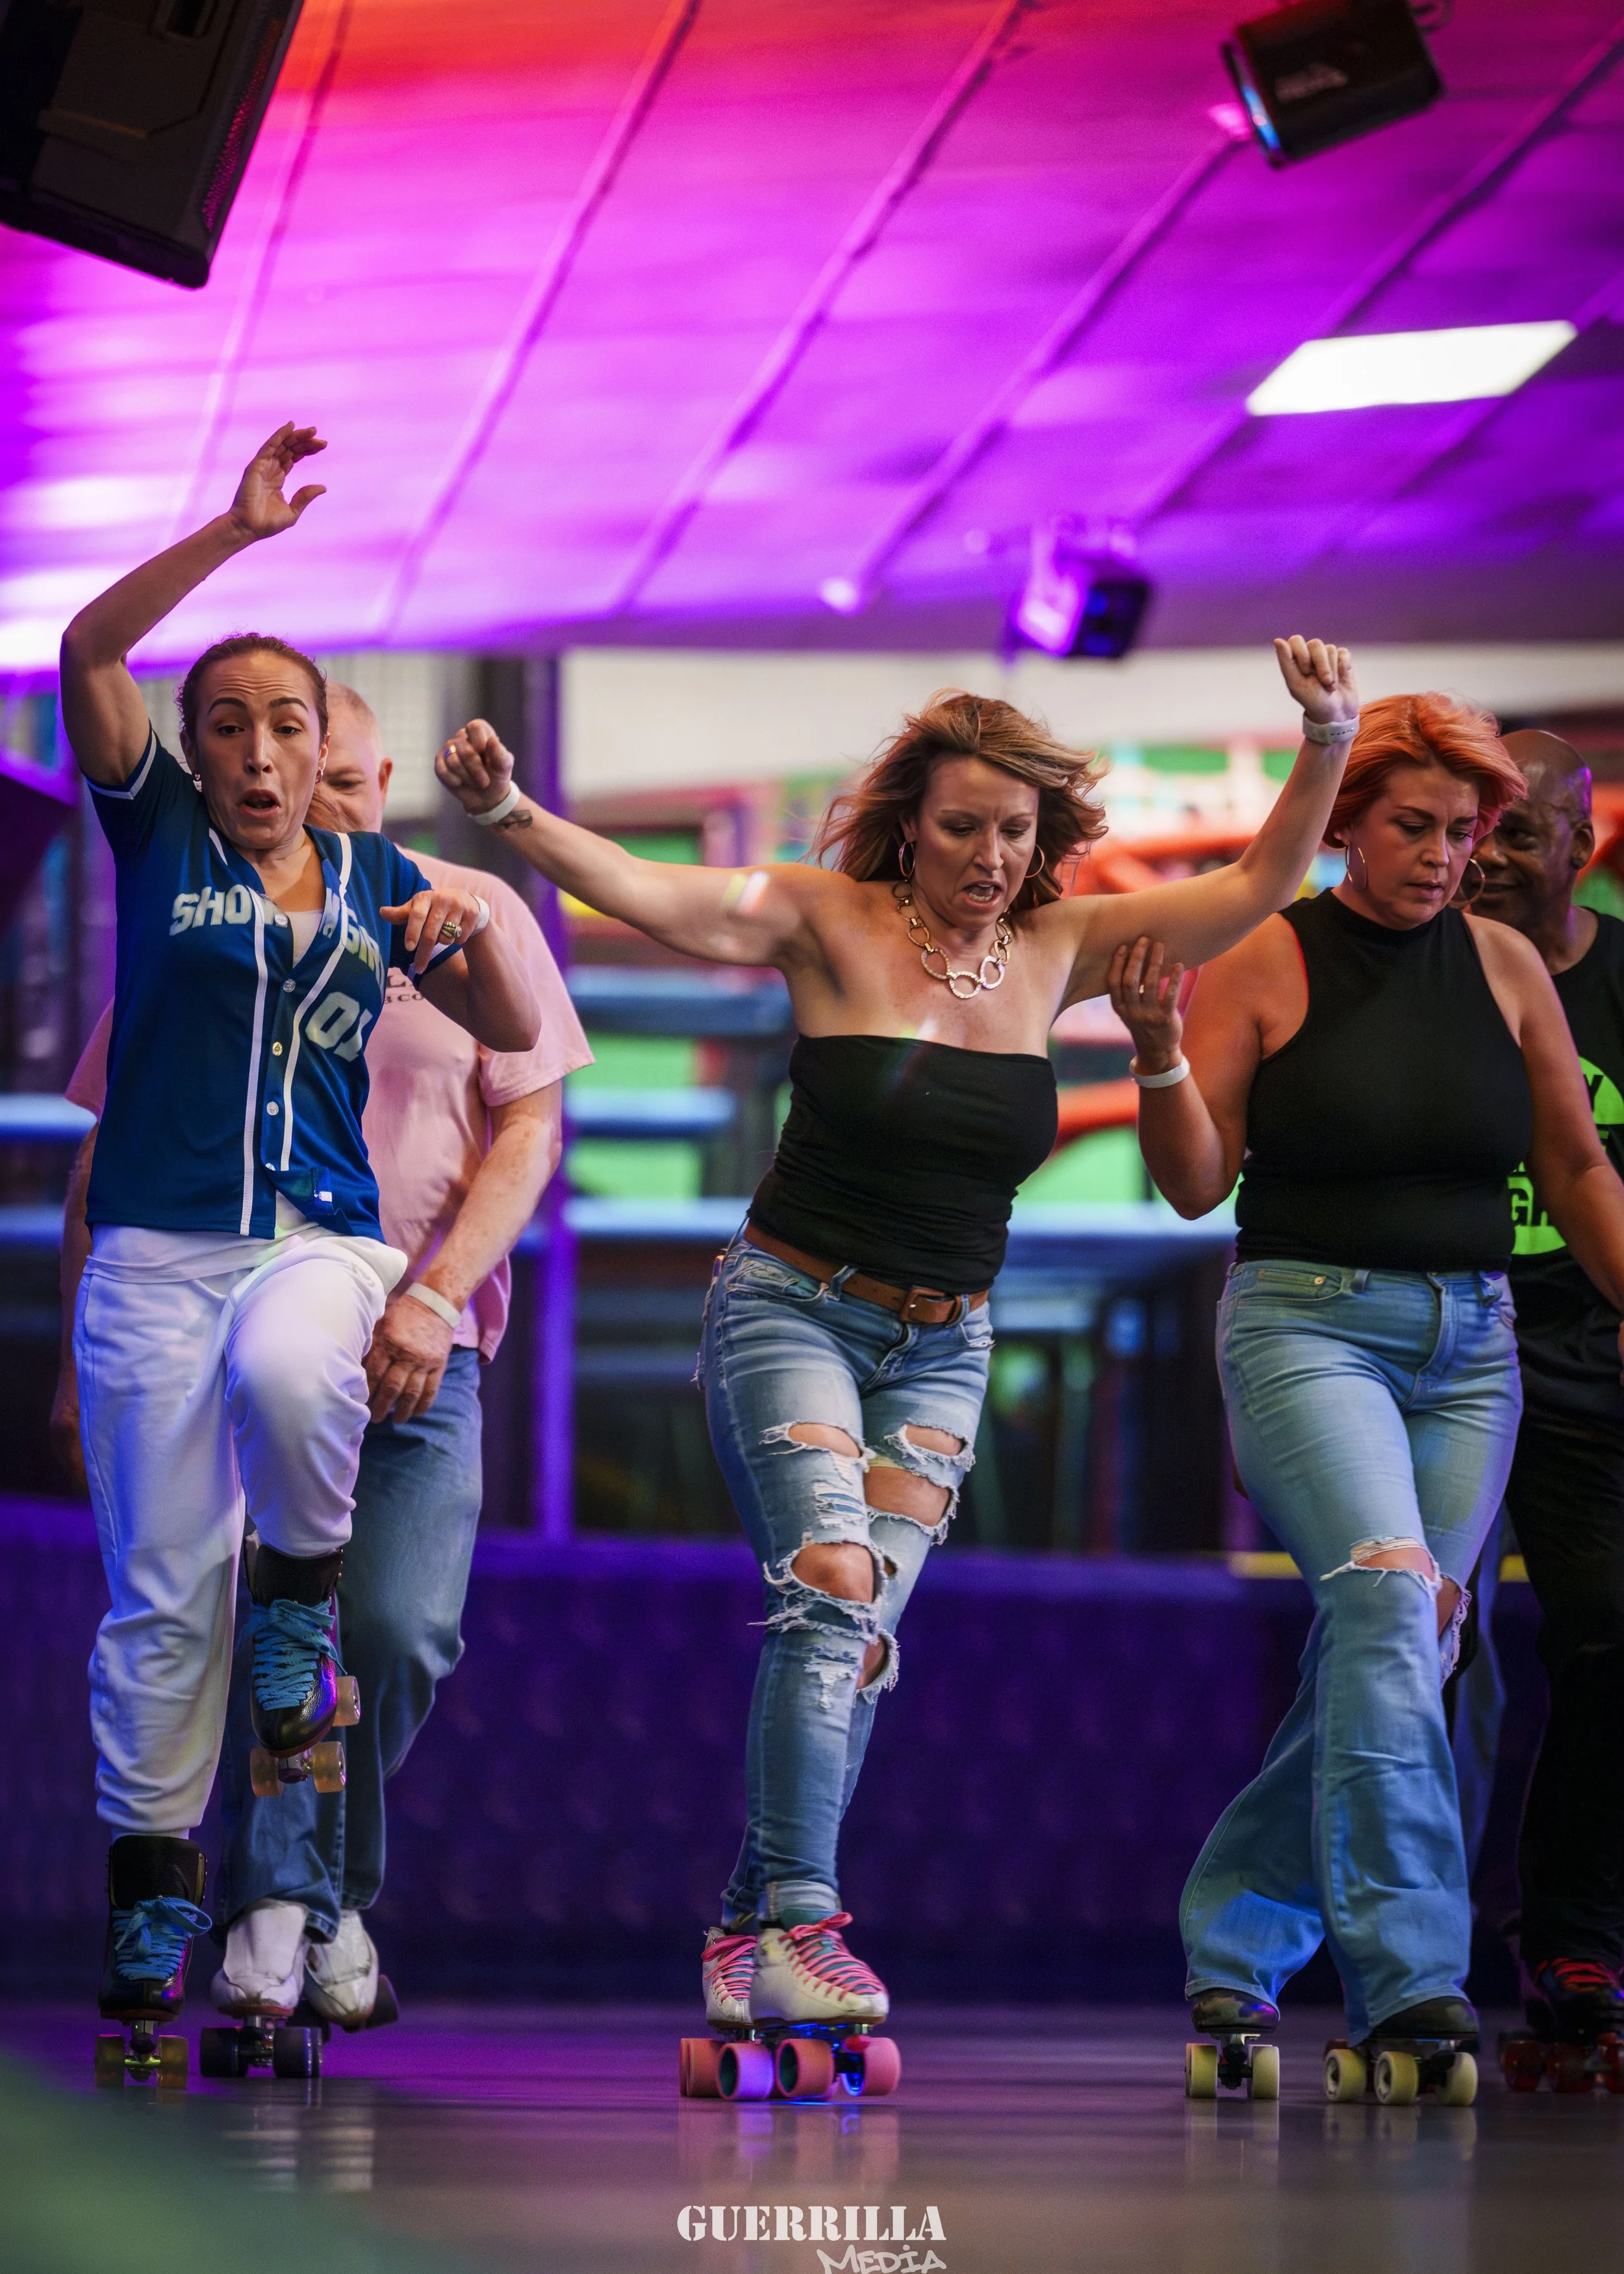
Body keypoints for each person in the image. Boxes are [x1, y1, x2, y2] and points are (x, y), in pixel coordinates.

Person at [430, 637, 1362, 2042]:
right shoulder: (824, 918)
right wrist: (512, 818)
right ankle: (801, 1917)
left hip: (944, 1347)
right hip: (790, 1309)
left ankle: (746, 1933)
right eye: (961, 828)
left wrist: (1326, 740)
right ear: (910, 826)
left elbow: (1254, 886)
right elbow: (664, 895)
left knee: (850, 1636)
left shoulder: (1056, 951)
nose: (987, 856)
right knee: (829, 1581)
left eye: (1012, 831)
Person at [57, 423, 540, 2058]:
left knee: (287, 1373)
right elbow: (89, 646)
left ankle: (304, 1604)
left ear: (326, 744)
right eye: (227, 727)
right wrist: (234, 534)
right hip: (150, 1255)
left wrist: (465, 937)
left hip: (322, 1243)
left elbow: (501, 1030)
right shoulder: (155, 843)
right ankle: (149, 1897)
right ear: (189, 751)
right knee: (158, 1594)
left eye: (287, 724)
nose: (259, 752)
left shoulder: (381, 873)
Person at [1106, 693, 1624, 2067]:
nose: (1441, 856)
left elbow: (1576, 1173)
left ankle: (1233, 1948)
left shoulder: (1507, 966)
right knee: (1397, 1611)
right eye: (1413, 826)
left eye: (1462, 833)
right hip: (1304, 1330)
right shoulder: (1269, 959)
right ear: (1346, 823)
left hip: (1471, 1348)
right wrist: (1157, 1057)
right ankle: (1410, 1985)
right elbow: (1190, 1184)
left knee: (1395, 1643)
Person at [1464, 731, 1624, 2049]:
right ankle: (1412, 1937)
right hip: (1435, 1351)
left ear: (1583, 848)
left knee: (1605, 1635)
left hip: (1588, 1359)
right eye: (1470, 830)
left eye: (1517, 835)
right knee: (1418, 1654)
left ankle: (1573, 1939)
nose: (1483, 860)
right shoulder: (1418, 971)